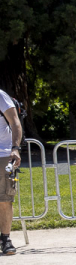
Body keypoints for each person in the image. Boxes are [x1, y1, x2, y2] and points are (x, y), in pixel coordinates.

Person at [0, 89, 23, 256]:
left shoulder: (0, 96)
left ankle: (6, 239)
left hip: (3, 154)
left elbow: (15, 122)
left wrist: (15, 148)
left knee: (5, 199)